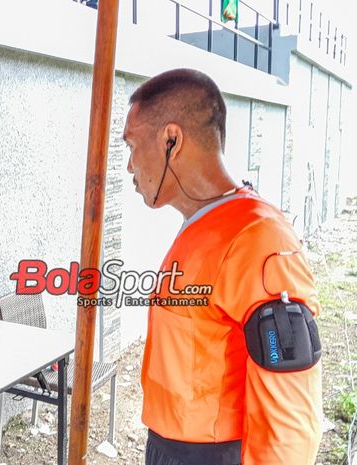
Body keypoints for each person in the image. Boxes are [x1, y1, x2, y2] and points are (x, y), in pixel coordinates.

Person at [123, 68, 322, 465]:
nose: (129, 166)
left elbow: (290, 418)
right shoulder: (203, 225)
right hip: (168, 447)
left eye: (131, 145)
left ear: (171, 140)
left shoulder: (260, 237)